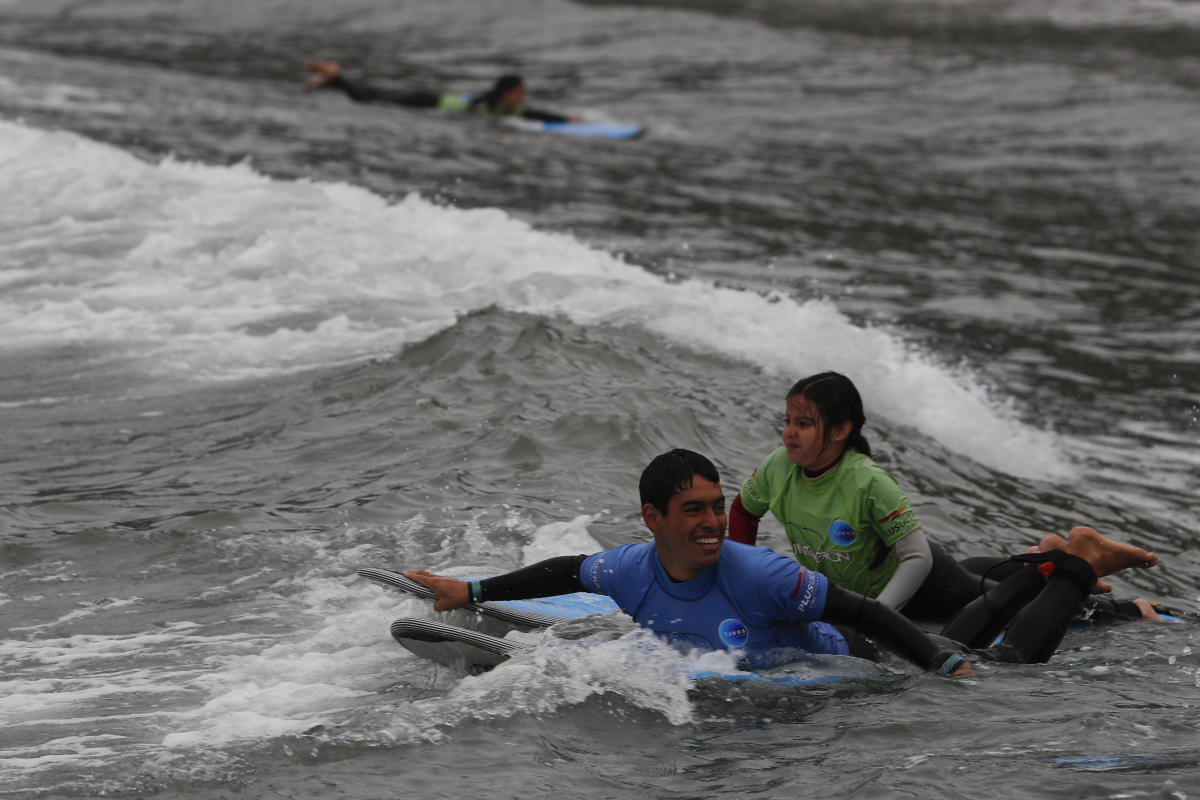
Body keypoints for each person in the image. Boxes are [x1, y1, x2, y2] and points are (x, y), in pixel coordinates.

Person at [404, 449, 1160, 676]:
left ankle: (1083, 573)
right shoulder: (628, 567)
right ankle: (1062, 565)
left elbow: (864, 614)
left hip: (863, 661)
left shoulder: (758, 572)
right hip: (813, 643)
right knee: (970, 629)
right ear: (653, 520)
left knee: (998, 662)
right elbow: (568, 569)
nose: (711, 522)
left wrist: (938, 672)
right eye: (693, 511)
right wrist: (467, 588)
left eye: (716, 506)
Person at [728, 371, 1163, 625]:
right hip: (890, 581)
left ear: (841, 431)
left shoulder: (866, 481)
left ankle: (1123, 603)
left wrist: (876, 617)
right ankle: (1047, 559)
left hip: (922, 585)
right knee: (986, 576)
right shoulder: (776, 467)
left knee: (1017, 610)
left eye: (803, 423)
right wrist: (740, 577)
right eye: (788, 420)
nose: (788, 431)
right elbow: (743, 512)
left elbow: (916, 559)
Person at [303, 60, 580, 123]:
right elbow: (531, 114)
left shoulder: (499, 104)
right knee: (369, 97)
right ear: (507, 93)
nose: (521, 97)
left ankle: (332, 79)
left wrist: (566, 119)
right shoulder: (491, 106)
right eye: (518, 92)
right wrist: (565, 121)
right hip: (426, 100)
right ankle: (336, 75)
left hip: (430, 98)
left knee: (374, 93)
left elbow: (530, 113)